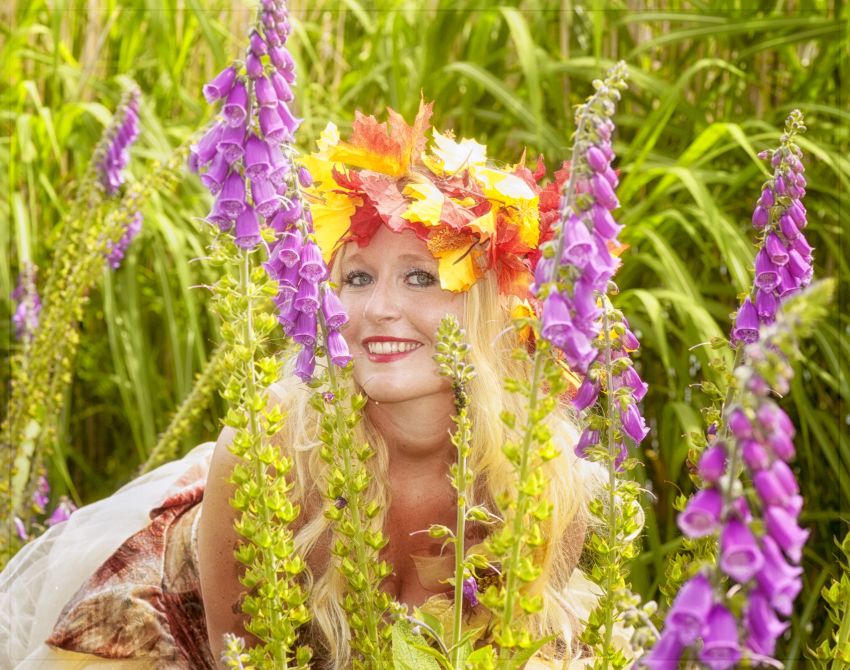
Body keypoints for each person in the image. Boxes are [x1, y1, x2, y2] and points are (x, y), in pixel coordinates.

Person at [0, 104, 604, 669]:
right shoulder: (267, 453)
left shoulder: (544, 478)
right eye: (357, 278)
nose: (379, 308)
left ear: (491, 307)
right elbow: (240, 658)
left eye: (421, 277)